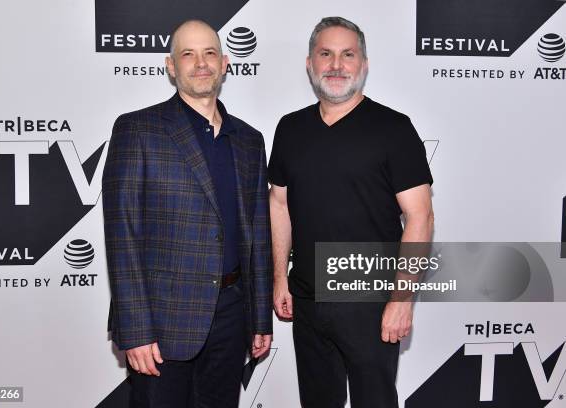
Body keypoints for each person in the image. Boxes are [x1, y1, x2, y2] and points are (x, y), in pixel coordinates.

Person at [102, 19, 273, 408]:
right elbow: (122, 236)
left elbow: (258, 236)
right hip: (162, 322)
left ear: (225, 63)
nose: (201, 63)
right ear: (170, 65)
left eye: (210, 53)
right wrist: (136, 329)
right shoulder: (138, 129)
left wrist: (260, 317)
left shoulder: (249, 140)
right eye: (188, 54)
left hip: (232, 317)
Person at [269, 16, 434, 408]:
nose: (337, 65)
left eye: (348, 55)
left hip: (371, 302)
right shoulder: (290, 129)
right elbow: (279, 203)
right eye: (326, 54)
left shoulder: (394, 128)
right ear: (310, 64)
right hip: (307, 299)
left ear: (364, 64)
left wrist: (401, 300)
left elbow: (420, 217)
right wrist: (280, 279)